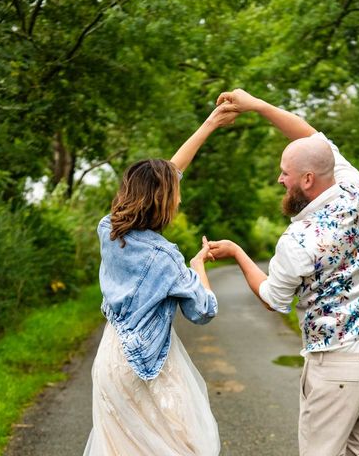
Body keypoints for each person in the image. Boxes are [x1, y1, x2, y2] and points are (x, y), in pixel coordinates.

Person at [207, 89, 359, 456]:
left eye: (285, 174)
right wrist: (259, 105)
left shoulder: (297, 240)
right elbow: (312, 139)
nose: (280, 179)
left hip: (336, 371)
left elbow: (272, 299)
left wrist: (236, 252)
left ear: (308, 179)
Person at [83, 102, 237, 456]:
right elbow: (204, 310)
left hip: (110, 361)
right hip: (147, 368)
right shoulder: (166, 258)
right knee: (183, 445)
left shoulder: (108, 231)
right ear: (164, 202)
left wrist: (210, 124)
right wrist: (199, 265)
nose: (179, 197)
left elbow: (169, 172)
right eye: (175, 194)